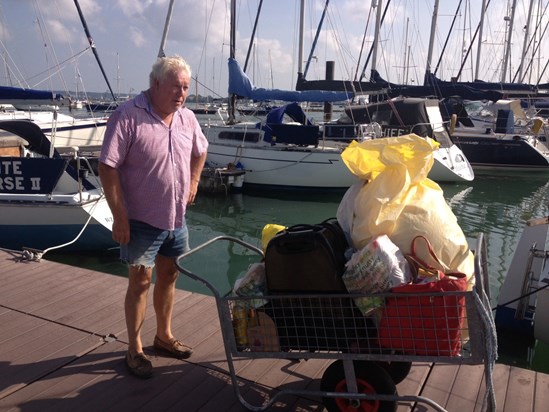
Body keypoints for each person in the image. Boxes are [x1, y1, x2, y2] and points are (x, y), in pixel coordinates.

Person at [99, 55, 208, 379]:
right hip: (141, 219)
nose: (182, 94)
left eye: (186, 88)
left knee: (170, 275)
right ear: (156, 83)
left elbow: (200, 151)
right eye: (176, 86)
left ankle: (164, 336)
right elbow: (107, 166)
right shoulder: (128, 116)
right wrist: (119, 217)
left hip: (176, 217)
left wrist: (195, 180)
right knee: (140, 282)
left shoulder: (187, 118)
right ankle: (134, 347)